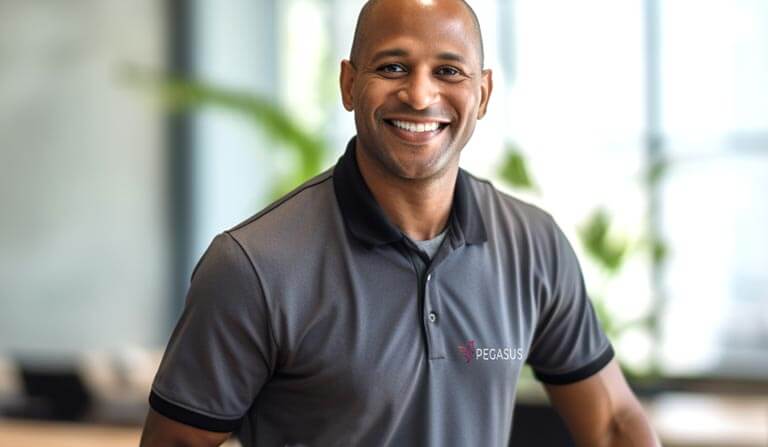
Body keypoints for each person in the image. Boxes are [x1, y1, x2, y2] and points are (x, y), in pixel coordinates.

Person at [140, 0, 660, 445]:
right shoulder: (253, 266)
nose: (419, 94)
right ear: (348, 84)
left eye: (448, 71)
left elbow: (613, 422)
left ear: (482, 94)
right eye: (392, 67)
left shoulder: (533, 245)